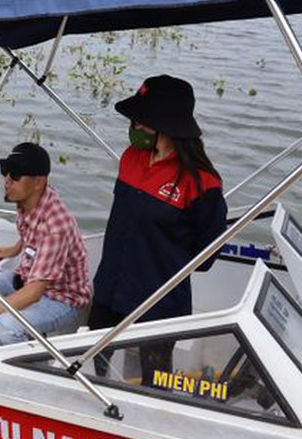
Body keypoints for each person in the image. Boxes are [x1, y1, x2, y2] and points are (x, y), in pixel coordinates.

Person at [89, 75, 227, 385]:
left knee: (155, 379)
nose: (135, 126)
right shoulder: (130, 158)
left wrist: (163, 259)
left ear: (166, 125)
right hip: (111, 287)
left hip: (158, 299)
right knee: (93, 358)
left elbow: (208, 252)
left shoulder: (201, 183)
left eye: (142, 120)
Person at [0, 142, 91, 347]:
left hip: (61, 298)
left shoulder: (56, 225)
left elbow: (34, 293)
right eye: (5, 172)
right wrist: (15, 249)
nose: (6, 181)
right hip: (29, 276)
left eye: (15, 176)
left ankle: (19, 368)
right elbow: (31, 231)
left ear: (39, 181)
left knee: (7, 324)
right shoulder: (29, 199)